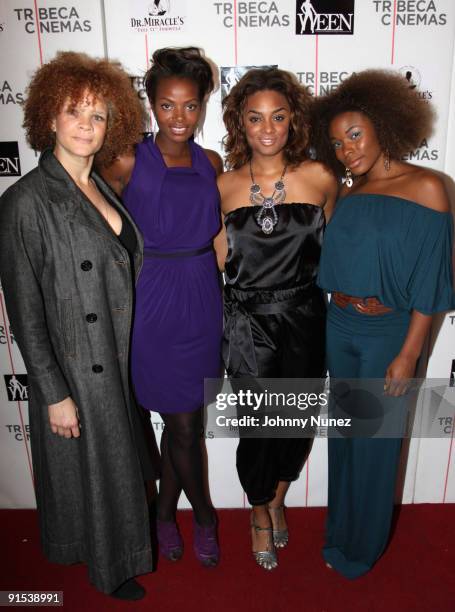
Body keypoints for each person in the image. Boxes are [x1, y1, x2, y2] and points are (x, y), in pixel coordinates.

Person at [0, 52, 158, 600]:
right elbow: (25, 310)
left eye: (98, 114)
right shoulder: (24, 201)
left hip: (115, 357)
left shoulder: (100, 186)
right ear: (49, 119)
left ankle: (113, 557)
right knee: (101, 474)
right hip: (78, 365)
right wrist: (53, 392)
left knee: (116, 471)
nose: (88, 125)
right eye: (75, 112)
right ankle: (110, 569)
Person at [313, 69, 455, 578]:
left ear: (382, 125)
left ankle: (361, 551)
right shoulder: (349, 192)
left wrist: (410, 353)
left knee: (376, 448)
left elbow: (433, 283)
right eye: (337, 142)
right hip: (340, 326)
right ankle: (338, 534)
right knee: (345, 442)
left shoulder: (429, 187)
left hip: (386, 334)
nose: (347, 149)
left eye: (355, 134)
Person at [101, 47, 223, 566]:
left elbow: (220, 235)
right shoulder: (127, 157)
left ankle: (165, 514)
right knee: (183, 427)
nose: (179, 117)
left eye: (190, 106)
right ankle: (206, 518)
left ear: (202, 106)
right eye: (168, 105)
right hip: (152, 300)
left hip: (202, 297)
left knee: (184, 424)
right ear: (150, 104)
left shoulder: (211, 162)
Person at [217, 68, 337, 570]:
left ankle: (277, 496)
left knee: (296, 423)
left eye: (278, 117)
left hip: (305, 319)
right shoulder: (221, 187)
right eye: (255, 118)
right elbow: (217, 261)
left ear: (293, 121)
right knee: (257, 428)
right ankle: (259, 511)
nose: (268, 128)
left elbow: (338, 250)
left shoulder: (320, 178)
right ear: (240, 124)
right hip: (247, 323)